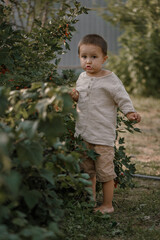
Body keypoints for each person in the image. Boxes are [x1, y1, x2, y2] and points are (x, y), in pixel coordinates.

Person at [70, 34, 141, 214]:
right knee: (88, 171)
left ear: (104, 59)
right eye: (84, 56)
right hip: (84, 134)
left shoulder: (110, 80)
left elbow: (122, 97)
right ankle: (90, 200)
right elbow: (81, 97)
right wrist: (75, 96)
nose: (88, 61)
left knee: (105, 173)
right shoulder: (82, 78)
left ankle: (108, 205)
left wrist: (130, 111)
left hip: (102, 136)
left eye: (94, 57)